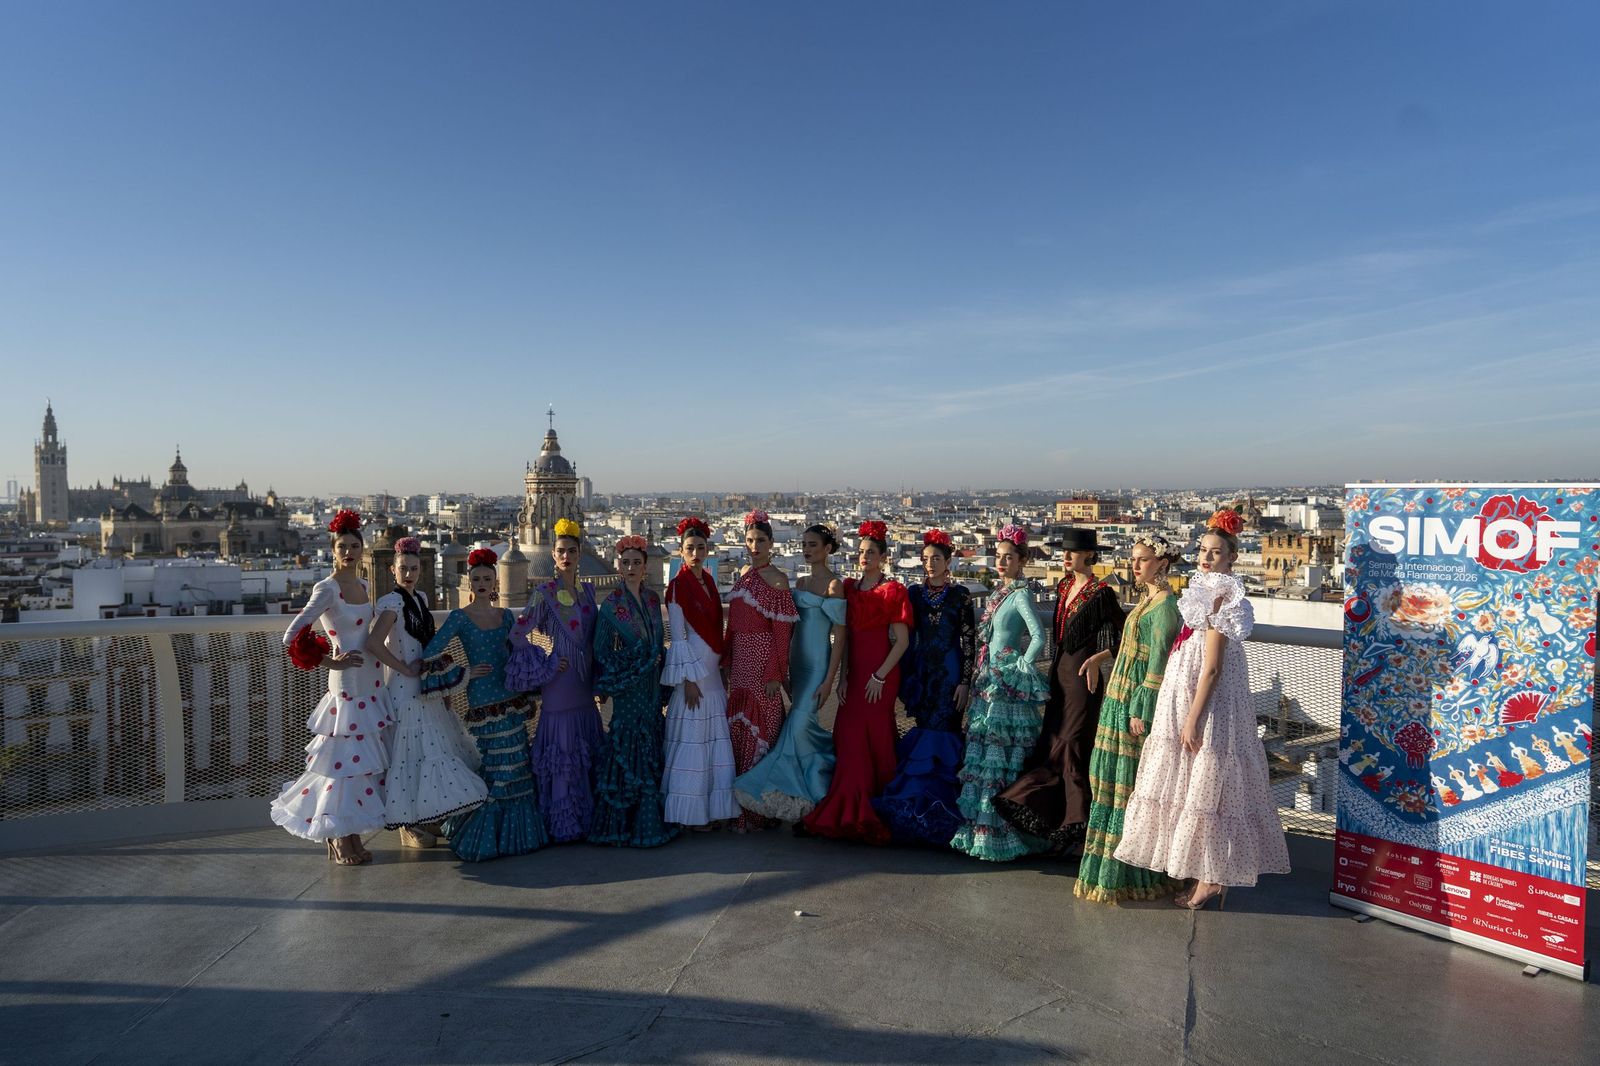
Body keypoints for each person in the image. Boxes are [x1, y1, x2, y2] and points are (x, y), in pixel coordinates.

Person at [1115, 510, 1292, 909]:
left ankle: (1211, 878)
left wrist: (1193, 718)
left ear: (1231, 557)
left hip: (1206, 703)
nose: (1206, 557)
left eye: (1216, 552)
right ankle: (1209, 874)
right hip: (1194, 696)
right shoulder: (1206, 589)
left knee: (1210, 783)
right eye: (1203, 550)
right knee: (1205, 785)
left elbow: (1211, 667)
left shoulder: (1221, 595)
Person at [271, 510, 393, 865]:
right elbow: (292, 635)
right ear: (333, 549)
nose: (350, 552)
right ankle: (338, 836)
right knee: (342, 763)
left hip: (371, 680)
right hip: (348, 683)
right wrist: (331, 662)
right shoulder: (328, 588)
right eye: (344, 546)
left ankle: (349, 834)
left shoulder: (365, 586)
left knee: (361, 764)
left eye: (356, 545)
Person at [994, 527, 1124, 853]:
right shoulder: (1065, 585)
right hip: (1059, 677)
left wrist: (1098, 658)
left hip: (1083, 680)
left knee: (1072, 749)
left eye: (1072, 552)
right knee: (1053, 745)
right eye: (1063, 551)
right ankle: (1061, 830)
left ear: (1090, 556)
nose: (1065, 557)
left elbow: (1124, 638)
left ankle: (1077, 834)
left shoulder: (1101, 593)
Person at [1073, 534, 1184, 903]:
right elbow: (1129, 646)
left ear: (1162, 564)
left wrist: (1142, 709)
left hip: (1133, 702)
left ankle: (1127, 872)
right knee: (1109, 780)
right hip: (1119, 696)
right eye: (1134, 559)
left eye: (1143, 560)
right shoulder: (1149, 599)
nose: (1135, 566)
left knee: (1128, 787)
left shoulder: (1166, 606)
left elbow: (1158, 662)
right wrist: (1100, 658)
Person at [421, 547, 548, 862]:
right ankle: (484, 835)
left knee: (517, 762)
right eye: (475, 578)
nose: (481, 583)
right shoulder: (459, 617)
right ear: (470, 582)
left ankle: (515, 837)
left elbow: (515, 648)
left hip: (510, 694)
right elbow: (430, 652)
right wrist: (464, 672)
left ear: (496, 583)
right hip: (482, 696)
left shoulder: (505, 615)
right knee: (498, 764)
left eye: (487, 578)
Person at [368, 536, 487, 849]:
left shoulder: (420, 598)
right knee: (408, 758)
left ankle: (424, 819)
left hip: (426, 689)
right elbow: (373, 643)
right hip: (405, 693)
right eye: (403, 569)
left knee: (424, 755)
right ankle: (409, 825)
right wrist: (403, 667)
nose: (409, 574)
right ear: (393, 571)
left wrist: (443, 686)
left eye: (414, 568)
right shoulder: (392, 603)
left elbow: (428, 647)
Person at [802, 520, 911, 844]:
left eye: (871, 553)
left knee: (876, 737)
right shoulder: (849, 588)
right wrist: (844, 676)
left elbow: (901, 642)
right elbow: (845, 638)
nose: (864, 557)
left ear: (883, 557)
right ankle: (849, 807)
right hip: (857, 675)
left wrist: (879, 676)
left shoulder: (893, 591)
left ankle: (875, 805)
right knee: (848, 735)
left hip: (882, 676)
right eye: (861, 552)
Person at [951, 524, 1050, 862]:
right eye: (999, 557)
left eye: (1009, 558)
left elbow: (1038, 637)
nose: (1002, 562)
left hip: (1003, 684)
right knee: (989, 752)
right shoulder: (1001, 593)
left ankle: (1001, 830)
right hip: (989, 681)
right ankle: (984, 830)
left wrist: (1021, 666)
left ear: (1022, 561)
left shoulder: (1020, 594)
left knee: (1002, 754)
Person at [734, 524, 843, 822]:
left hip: (817, 666)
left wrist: (830, 680)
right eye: (804, 545)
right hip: (796, 663)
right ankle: (806, 802)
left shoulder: (834, 586)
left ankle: (816, 799)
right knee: (797, 733)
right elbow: (783, 626)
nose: (807, 550)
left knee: (796, 729)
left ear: (828, 549)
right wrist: (782, 671)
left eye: (813, 545)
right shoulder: (801, 582)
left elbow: (840, 638)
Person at [873, 528, 974, 847]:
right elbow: (903, 632)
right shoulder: (914, 594)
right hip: (923, 675)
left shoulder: (961, 596)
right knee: (924, 730)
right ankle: (916, 813)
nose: (930, 564)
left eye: (937, 559)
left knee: (944, 734)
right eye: (926, 559)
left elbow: (969, 641)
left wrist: (966, 682)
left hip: (949, 672)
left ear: (949, 562)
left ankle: (942, 814)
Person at [517, 517, 604, 843]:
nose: (566, 556)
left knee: (584, 748)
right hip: (560, 682)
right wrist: (546, 662)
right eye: (560, 551)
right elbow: (518, 634)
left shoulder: (587, 590)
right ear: (553, 556)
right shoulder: (544, 593)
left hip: (584, 685)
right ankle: (563, 825)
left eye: (572, 550)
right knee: (563, 750)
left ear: (580, 554)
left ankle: (585, 820)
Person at [588, 535, 677, 847]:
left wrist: (655, 662)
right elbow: (601, 650)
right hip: (630, 687)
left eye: (636, 562)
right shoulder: (612, 605)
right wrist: (633, 663)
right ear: (617, 566)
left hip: (652, 686)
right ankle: (626, 823)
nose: (630, 567)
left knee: (650, 740)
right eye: (625, 562)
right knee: (629, 745)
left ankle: (649, 818)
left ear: (645, 566)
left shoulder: (653, 600)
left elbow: (658, 639)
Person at [660, 517, 740, 828]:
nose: (696, 553)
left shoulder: (708, 581)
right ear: (680, 552)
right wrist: (689, 681)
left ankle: (711, 809)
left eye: (701, 548)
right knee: (694, 740)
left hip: (712, 672)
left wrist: (720, 670)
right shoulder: (678, 587)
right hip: (694, 672)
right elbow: (677, 637)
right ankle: (690, 813)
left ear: (708, 550)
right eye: (690, 548)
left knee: (713, 742)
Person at [723, 510, 798, 832]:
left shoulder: (778, 580)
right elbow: (732, 628)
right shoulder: (743, 573)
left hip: (762, 667)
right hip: (739, 666)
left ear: (771, 543)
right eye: (750, 540)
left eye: (761, 541)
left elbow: (783, 636)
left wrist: (774, 676)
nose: (755, 546)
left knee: (762, 734)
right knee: (737, 735)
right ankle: (741, 809)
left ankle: (760, 812)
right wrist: (726, 663)